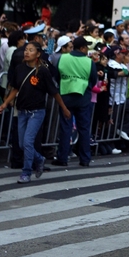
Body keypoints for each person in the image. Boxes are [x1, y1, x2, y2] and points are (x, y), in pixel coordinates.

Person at [0, 41, 70, 183]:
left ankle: (26, 172)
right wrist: (5, 103)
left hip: (36, 112)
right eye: (26, 49)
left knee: (28, 142)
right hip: (22, 111)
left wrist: (64, 108)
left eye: (31, 50)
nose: (27, 52)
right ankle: (39, 158)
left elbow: (54, 92)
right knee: (21, 144)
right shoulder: (19, 68)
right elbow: (15, 88)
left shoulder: (43, 71)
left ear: (38, 54)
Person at [53, 36, 97, 167]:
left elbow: (57, 76)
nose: (87, 49)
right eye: (86, 47)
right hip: (83, 97)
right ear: (82, 48)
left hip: (65, 96)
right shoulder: (89, 62)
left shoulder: (63, 58)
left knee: (65, 128)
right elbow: (93, 79)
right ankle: (85, 159)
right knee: (83, 128)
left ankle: (62, 158)